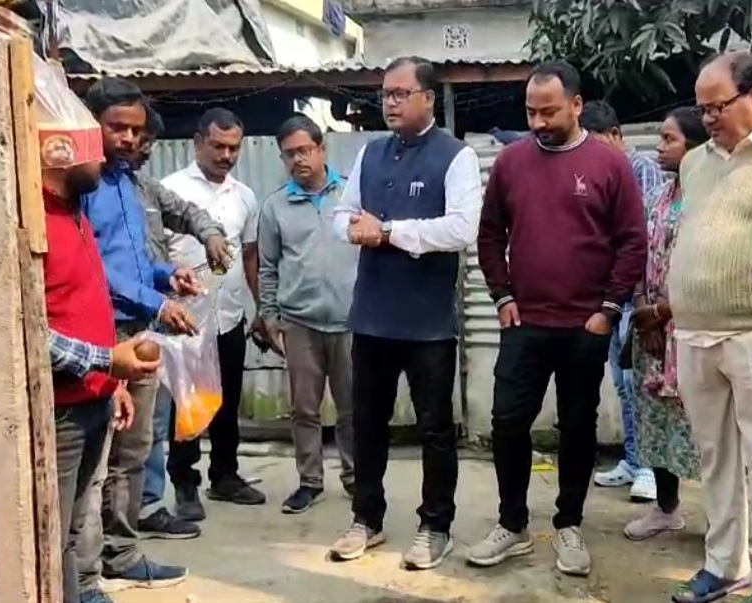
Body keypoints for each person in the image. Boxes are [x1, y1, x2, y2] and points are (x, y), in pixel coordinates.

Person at [469, 60, 647, 577]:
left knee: (577, 427)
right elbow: (489, 235)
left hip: (584, 326)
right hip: (524, 323)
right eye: (531, 112)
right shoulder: (511, 163)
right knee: (507, 422)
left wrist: (608, 310)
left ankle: (569, 523)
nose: (538, 122)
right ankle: (513, 524)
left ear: (576, 105)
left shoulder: (608, 164)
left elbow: (632, 241)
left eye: (549, 112)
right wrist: (502, 296)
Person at [0, 134, 157, 603]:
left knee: (69, 532)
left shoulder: (74, 216)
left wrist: (112, 383)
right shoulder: (7, 228)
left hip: (92, 401)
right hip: (57, 411)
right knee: (47, 538)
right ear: (56, 151)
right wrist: (107, 360)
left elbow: (84, 307)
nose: (102, 156)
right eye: (91, 146)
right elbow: (20, 331)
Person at [327, 55, 482, 570]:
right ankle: (366, 519)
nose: (389, 103)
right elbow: (341, 215)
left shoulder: (455, 156)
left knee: (435, 429)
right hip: (371, 316)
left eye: (400, 93)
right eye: (385, 94)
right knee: (367, 425)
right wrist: (356, 229)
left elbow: (461, 228)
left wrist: (389, 231)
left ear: (428, 98)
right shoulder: (371, 153)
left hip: (427, 323)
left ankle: (435, 527)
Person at [665, 51, 752, 603]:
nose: (708, 118)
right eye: (702, 109)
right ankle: (724, 563)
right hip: (694, 333)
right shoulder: (695, 163)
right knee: (715, 458)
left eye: (718, 106)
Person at [77, 77, 192, 597]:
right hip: (100, 334)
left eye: (135, 130)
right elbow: (93, 268)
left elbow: (134, 260)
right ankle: (83, 574)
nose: (127, 138)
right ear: (92, 124)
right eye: (116, 127)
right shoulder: (82, 185)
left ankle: (121, 554)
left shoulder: (129, 182)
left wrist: (167, 277)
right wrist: (158, 301)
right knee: (94, 461)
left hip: (140, 329)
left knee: (135, 450)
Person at [160, 107, 267, 521]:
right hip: (185, 319)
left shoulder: (245, 196)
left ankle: (225, 475)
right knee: (187, 404)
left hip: (229, 316)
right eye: (218, 146)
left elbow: (251, 256)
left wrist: (260, 308)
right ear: (198, 142)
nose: (226, 155)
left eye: (234, 148)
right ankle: (185, 483)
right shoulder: (171, 190)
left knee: (227, 400)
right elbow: (158, 253)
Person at [257, 114, 357, 514]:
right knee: (304, 408)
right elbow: (267, 268)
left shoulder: (351, 196)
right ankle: (309, 481)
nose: (298, 159)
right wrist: (270, 317)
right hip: (300, 322)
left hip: (351, 321)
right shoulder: (275, 207)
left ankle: (356, 476)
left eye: (305, 150)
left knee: (353, 406)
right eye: (289, 154)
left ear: (322, 149)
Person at [133, 106, 225, 540]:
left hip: (152, 319)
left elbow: (189, 214)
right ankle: (118, 520)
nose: (138, 146)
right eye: (127, 133)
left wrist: (210, 236)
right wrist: (160, 293)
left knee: (150, 423)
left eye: (146, 140)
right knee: (119, 428)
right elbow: (108, 266)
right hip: (118, 319)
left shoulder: (144, 188)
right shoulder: (91, 189)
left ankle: (147, 505)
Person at [621, 107, 709, 542]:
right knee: (654, 417)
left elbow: (710, 268)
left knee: (706, 425)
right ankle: (666, 508)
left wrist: (663, 313)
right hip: (652, 332)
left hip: (692, 327)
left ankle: (725, 522)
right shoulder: (657, 196)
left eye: (669, 139)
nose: (659, 148)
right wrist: (644, 310)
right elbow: (638, 253)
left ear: (695, 147)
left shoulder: (712, 197)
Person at [582, 99, 666, 503]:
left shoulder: (641, 169)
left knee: (638, 384)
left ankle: (649, 468)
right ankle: (632, 460)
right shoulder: (597, 173)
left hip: (638, 297)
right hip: (613, 297)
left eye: (599, 144)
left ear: (616, 135)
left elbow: (645, 237)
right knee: (621, 384)